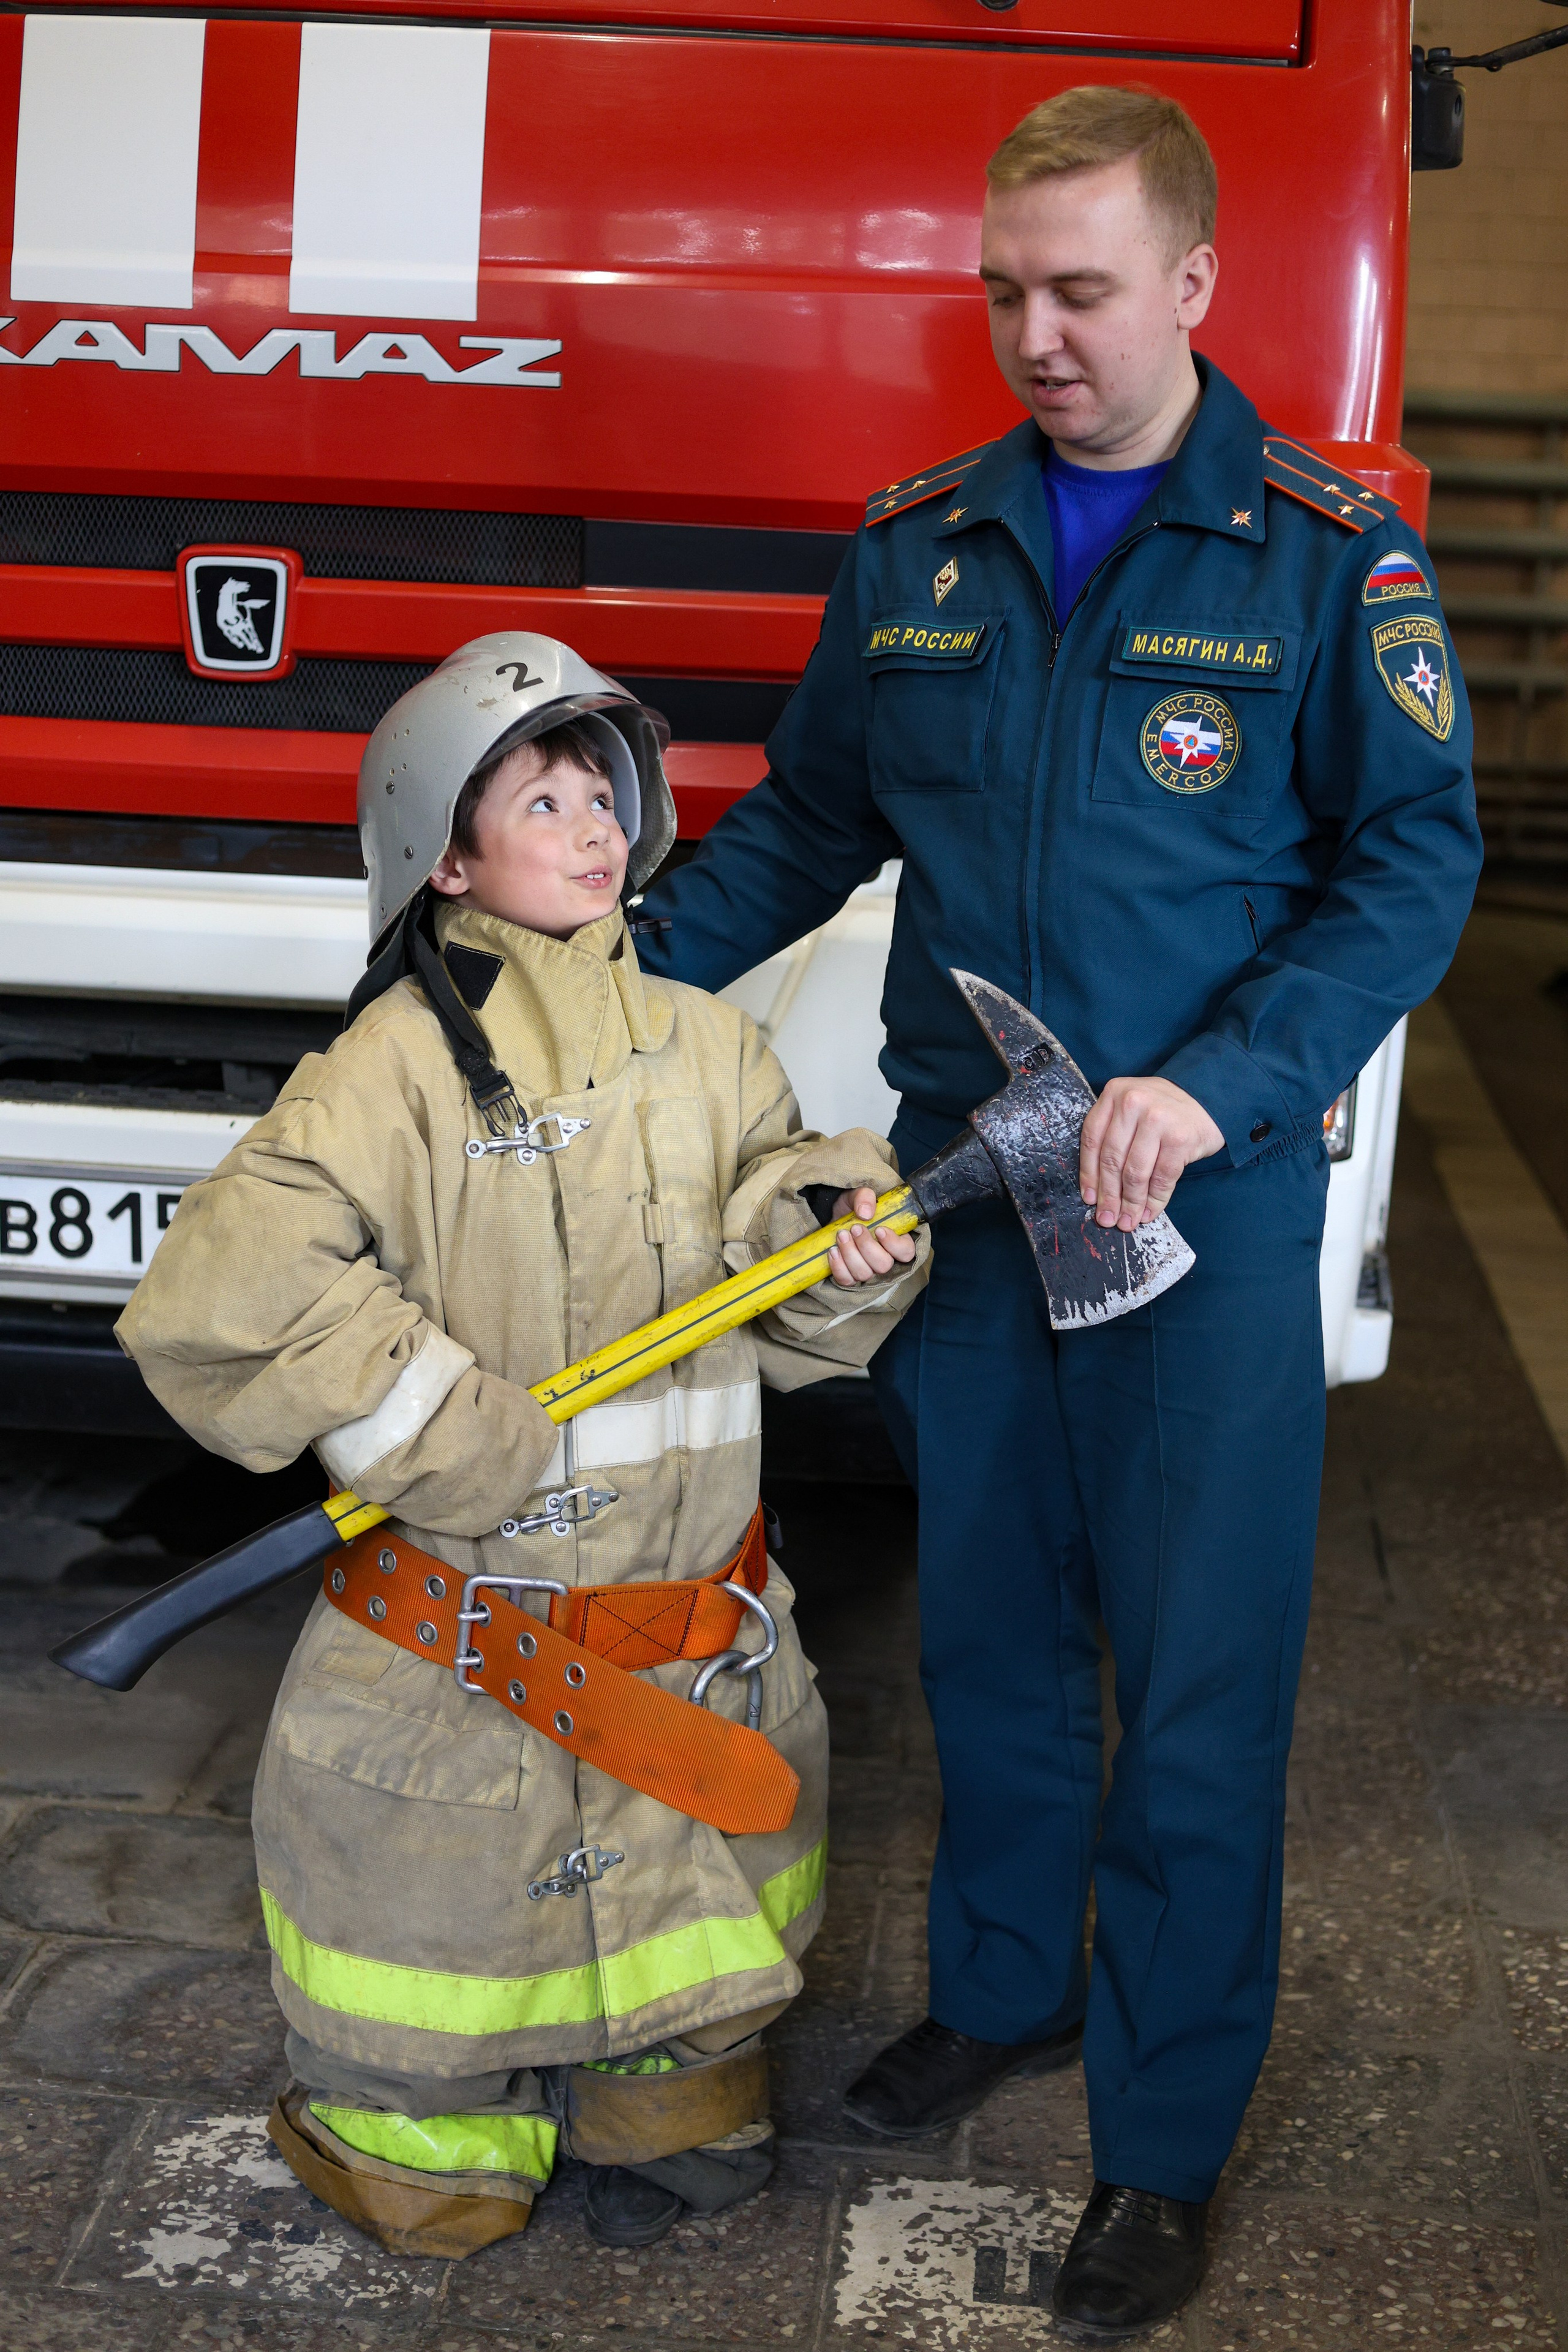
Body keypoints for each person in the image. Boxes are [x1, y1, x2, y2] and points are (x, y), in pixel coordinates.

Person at [633, 87, 1483, 2337]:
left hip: (1195, 1224)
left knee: (1195, 1685)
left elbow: (1413, 867)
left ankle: (1169, 2128)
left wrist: (1214, 1091)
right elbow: (804, 827)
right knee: (995, 1635)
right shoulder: (922, 545)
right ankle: (1007, 1986)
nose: (1035, 333)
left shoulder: (1326, 554)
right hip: (971, 1203)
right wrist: (580, 985)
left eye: (1082, 290)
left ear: (1197, 285)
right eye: (1004, 288)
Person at [116, 633, 923, 2261]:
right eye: (539, 798)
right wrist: (435, 1427)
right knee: (438, 2142)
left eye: (602, 792)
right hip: (467, 1669)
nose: (590, 824)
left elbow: (770, 1235)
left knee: (689, 2095)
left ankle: (656, 2085)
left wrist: (836, 1237)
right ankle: (428, 2120)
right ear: (447, 853)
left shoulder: (709, 1048)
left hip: (691, 1659)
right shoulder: (390, 1075)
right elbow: (215, 1300)